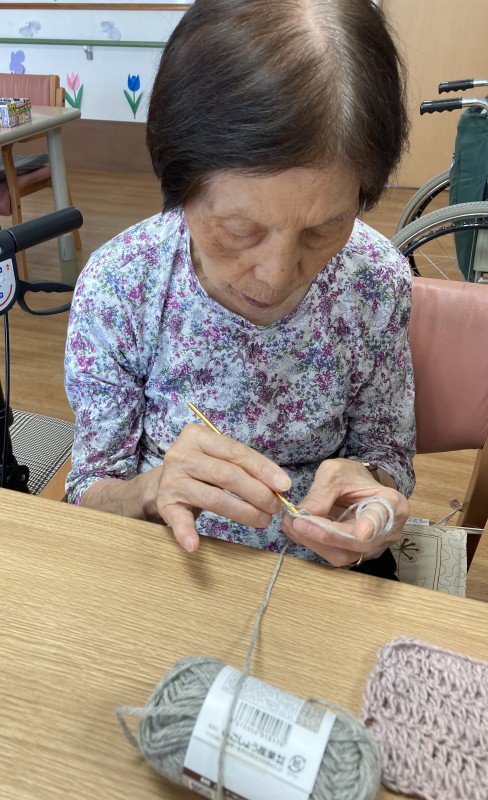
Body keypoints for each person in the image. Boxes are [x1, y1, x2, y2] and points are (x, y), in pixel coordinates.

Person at [64, 0, 415, 579]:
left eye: (325, 227)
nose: (277, 275)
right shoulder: (121, 286)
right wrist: (151, 489)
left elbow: (388, 456)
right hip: (169, 569)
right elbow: (89, 492)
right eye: (240, 229)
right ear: (179, 184)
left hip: (323, 581)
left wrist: (372, 501)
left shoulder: (375, 282)